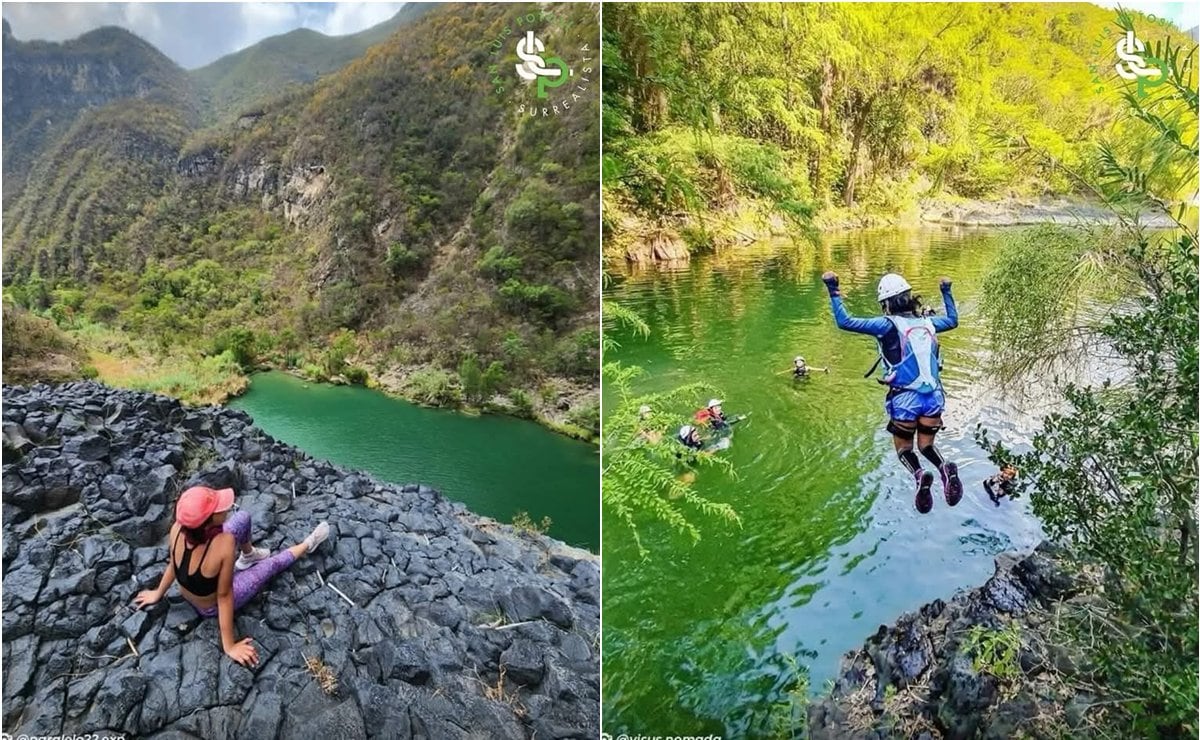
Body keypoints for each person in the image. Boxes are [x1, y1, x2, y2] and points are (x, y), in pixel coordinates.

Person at [133, 485, 331, 666]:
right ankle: (308, 544)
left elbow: (174, 564)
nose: (224, 509)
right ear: (208, 523)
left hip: (194, 587)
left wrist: (158, 593)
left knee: (243, 517)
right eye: (218, 510)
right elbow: (224, 595)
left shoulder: (178, 528)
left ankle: (249, 555)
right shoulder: (224, 544)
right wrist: (229, 645)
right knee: (271, 565)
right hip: (210, 607)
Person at [821, 270, 962, 514]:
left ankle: (919, 475)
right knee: (927, 444)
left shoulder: (885, 325)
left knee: (904, 449)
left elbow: (845, 322)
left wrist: (833, 289)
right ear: (909, 297)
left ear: (886, 304)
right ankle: (942, 469)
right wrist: (946, 291)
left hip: (905, 399)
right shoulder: (929, 323)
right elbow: (952, 320)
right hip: (933, 398)